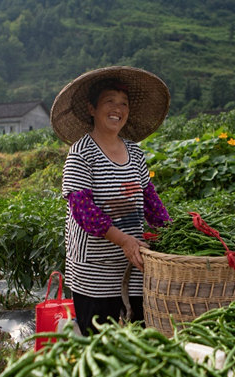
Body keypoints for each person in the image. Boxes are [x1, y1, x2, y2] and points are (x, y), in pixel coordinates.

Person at [50, 66, 172, 335]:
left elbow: (150, 200)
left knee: (138, 337)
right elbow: (83, 211)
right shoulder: (81, 153)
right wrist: (124, 240)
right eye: (109, 102)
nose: (118, 109)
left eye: (123, 104)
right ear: (91, 108)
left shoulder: (134, 153)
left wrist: (174, 233)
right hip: (95, 270)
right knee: (98, 340)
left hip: (134, 264)